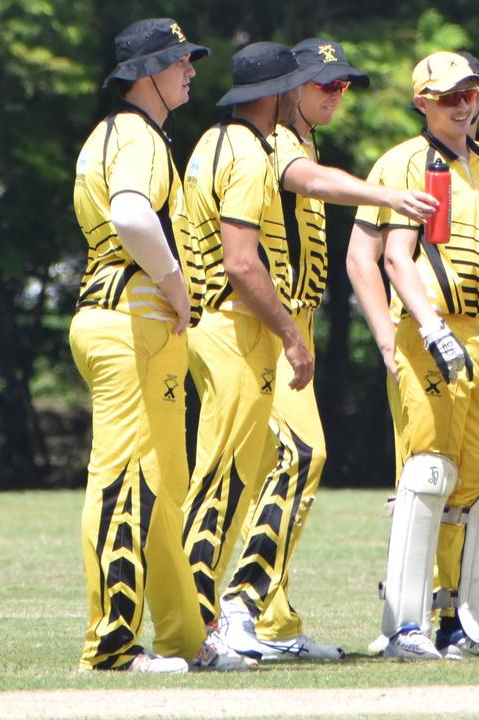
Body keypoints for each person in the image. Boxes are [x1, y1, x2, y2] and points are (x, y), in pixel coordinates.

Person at [215, 38, 438, 662]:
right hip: (266, 324)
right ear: (289, 88)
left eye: (344, 86)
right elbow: (306, 182)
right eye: (324, 85)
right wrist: (383, 194)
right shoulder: (281, 142)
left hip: (295, 322)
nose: (338, 94)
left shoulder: (303, 136)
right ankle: (236, 605)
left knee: (282, 467)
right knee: (300, 456)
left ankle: (273, 622)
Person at [69, 18, 246, 673]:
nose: (191, 70)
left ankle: (183, 639)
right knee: (124, 485)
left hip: (124, 325)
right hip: (131, 326)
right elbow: (131, 215)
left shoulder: (111, 134)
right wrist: (176, 286)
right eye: (179, 62)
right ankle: (111, 648)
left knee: (164, 488)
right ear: (147, 74)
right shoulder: (138, 134)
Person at [348, 51, 479, 659]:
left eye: (470, 94)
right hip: (432, 333)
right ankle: (404, 623)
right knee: (427, 474)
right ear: (422, 101)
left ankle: (463, 622)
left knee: (477, 480)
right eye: (449, 96)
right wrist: (405, 334)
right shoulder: (403, 162)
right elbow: (386, 257)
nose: (463, 105)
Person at [178, 42, 316, 636]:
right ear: (279, 94)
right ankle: (198, 624)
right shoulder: (250, 154)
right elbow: (242, 263)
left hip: (210, 325)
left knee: (226, 477)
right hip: (233, 327)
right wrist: (291, 333)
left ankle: (201, 619)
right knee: (221, 481)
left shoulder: (211, 140)